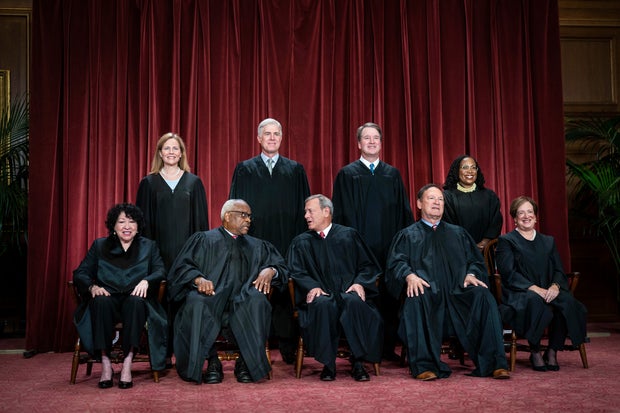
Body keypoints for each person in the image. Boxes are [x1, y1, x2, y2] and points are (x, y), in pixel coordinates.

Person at [385, 184, 510, 381]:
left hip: (458, 293)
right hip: (428, 294)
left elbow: (475, 261)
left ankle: (494, 363)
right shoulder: (407, 235)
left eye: (440, 199)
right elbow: (396, 263)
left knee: (483, 296)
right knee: (416, 296)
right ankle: (425, 365)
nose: (437, 202)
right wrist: (409, 276)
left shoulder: (458, 233)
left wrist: (471, 274)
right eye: (431, 198)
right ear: (419, 203)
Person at [167, 199, 288, 384]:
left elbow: (282, 267)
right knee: (195, 301)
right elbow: (181, 267)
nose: (248, 220)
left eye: (249, 216)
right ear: (227, 216)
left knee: (258, 300)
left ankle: (246, 362)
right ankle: (211, 360)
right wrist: (198, 279)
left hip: (244, 299)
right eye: (243, 215)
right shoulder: (204, 239)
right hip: (212, 298)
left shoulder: (258, 245)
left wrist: (271, 270)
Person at [229, 118, 310, 363]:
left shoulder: (295, 170)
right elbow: (235, 208)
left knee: (284, 292)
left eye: (276, 134)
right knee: (254, 292)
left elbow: (303, 210)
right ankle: (252, 346)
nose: (272, 138)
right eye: (267, 134)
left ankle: (287, 346)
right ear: (259, 139)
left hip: (286, 239)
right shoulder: (245, 169)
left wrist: (299, 243)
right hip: (255, 241)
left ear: (281, 138)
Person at [331, 122, 413, 361]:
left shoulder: (393, 175)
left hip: (388, 248)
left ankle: (387, 349)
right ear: (358, 143)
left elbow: (403, 214)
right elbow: (340, 215)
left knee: (388, 299)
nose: (371, 142)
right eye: (366, 138)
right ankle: (361, 350)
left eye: (375, 138)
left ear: (380, 143)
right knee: (362, 297)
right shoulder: (347, 174)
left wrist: (402, 248)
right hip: (359, 250)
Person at [287, 194, 383, 381]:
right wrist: (312, 286)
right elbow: (296, 271)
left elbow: (369, 266)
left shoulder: (349, 235)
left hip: (348, 292)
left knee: (353, 302)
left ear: (326, 211)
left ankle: (358, 362)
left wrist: (359, 283)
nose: (306, 215)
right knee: (323, 304)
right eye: (305, 212)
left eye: (310, 211)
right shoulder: (301, 242)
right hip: (322, 295)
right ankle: (328, 364)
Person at [73, 203, 167, 389]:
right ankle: (106, 363)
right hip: (108, 300)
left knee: (135, 302)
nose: (127, 226)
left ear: (138, 225)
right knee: (100, 302)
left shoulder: (149, 246)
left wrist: (147, 280)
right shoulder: (100, 245)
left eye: (131, 222)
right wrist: (92, 287)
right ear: (113, 226)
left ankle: (127, 363)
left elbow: (160, 270)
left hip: (135, 301)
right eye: (121, 222)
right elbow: (80, 273)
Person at [136, 132, 209, 364]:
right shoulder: (148, 183)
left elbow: (201, 224)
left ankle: (185, 352)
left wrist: (199, 255)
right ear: (159, 153)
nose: (171, 152)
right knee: (159, 301)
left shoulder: (193, 182)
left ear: (181, 153)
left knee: (186, 301)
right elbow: (142, 223)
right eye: (166, 148)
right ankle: (161, 353)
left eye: (175, 148)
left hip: (186, 254)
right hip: (158, 254)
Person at [495, 196, 588, 372]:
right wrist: (535, 288)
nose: (526, 216)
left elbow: (559, 271)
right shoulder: (507, 241)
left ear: (536, 217)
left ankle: (552, 351)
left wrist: (554, 287)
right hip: (520, 292)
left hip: (548, 290)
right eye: (521, 213)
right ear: (514, 218)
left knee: (567, 303)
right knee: (535, 301)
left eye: (530, 212)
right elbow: (508, 273)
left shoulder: (548, 241)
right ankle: (535, 350)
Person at [442, 155, 502, 252]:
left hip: (485, 251)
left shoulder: (489, 196)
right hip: (458, 250)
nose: (470, 171)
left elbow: (496, 221)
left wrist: (484, 243)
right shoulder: (448, 197)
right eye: (465, 167)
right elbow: (448, 224)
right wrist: (468, 247)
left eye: (473, 167)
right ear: (457, 170)